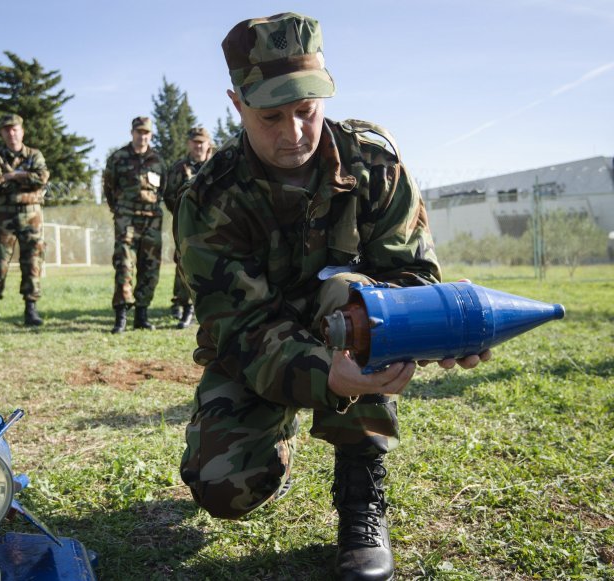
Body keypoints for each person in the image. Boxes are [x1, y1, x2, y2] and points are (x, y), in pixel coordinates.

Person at [174, 13, 490, 581]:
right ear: (235, 103)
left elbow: (414, 276)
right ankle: (284, 428)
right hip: (264, 346)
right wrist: (324, 375)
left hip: (354, 332)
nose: (293, 132)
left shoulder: (375, 166)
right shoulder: (210, 200)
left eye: (307, 110)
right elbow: (239, 329)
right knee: (223, 488)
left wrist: (441, 327)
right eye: (271, 115)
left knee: (368, 306)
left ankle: (360, 498)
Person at [0, 114, 50, 328]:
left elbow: (41, 178)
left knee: (32, 261)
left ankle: (31, 309)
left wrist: (12, 176)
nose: (12, 133)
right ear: (2, 133)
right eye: (7, 130)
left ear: (22, 131)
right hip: (4, 215)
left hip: (31, 215)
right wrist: (24, 177)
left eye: (15, 129)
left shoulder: (34, 154)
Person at [102, 116, 166, 333]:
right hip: (126, 219)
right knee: (123, 264)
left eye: (146, 132)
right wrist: (119, 209)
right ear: (132, 133)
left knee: (150, 267)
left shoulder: (158, 160)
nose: (142, 136)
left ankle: (142, 314)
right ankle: (121, 316)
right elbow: (108, 187)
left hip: (151, 220)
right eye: (139, 132)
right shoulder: (118, 158)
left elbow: (163, 190)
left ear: (151, 135)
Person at [163, 127, 213, 329]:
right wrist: (183, 213)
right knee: (184, 263)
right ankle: (185, 306)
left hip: (215, 225)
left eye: (202, 142)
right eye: (195, 142)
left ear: (208, 143)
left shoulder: (220, 164)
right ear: (188, 144)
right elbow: (168, 196)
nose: (198, 145)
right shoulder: (178, 168)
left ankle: (212, 306)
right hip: (187, 225)